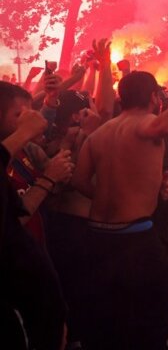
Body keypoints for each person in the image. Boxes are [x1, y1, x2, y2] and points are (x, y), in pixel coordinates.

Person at [72, 65, 168, 350]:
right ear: (155, 98)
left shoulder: (98, 134)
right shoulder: (144, 122)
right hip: (134, 242)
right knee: (151, 323)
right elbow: (164, 126)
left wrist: (113, 195)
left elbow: (80, 180)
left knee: (107, 321)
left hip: (96, 238)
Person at [0, 82, 67, 350]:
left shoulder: (25, 152)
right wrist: (48, 180)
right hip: (15, 300)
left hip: (36, 271)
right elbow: (14, 219)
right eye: (19, 115)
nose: (31, 120)